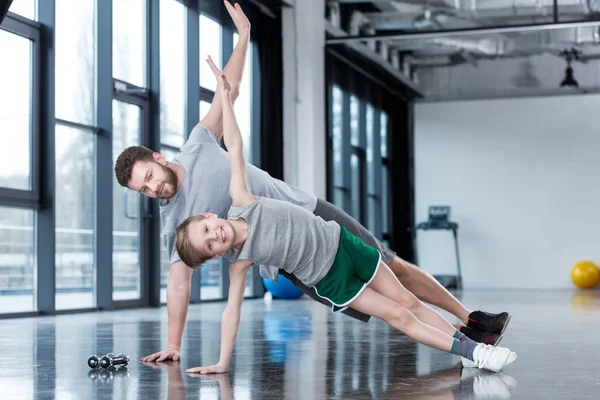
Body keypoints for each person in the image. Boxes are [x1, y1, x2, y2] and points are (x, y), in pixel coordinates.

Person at [114, 1, 510, 364]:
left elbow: (227, 98)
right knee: (391, 309)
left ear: (159, 158)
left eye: (149, 178)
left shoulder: (197, 146)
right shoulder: (177, 223)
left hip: (310, 212)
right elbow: (179, 286)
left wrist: (245, 37)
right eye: (144, 191)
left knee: (395, 267)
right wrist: (175, 344)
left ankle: (471, 320)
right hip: (291, 257)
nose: (154, 189)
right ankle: (461, 343)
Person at [173, 61, 518, 374]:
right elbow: (230, 313)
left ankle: (469, 349)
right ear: (216, 255)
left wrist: (226, 97)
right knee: (399, 316)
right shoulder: (240, 262)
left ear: (208, 215)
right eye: (209, 245)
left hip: (344, 245)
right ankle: (477, 353)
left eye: (207, 228)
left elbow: (233, 145)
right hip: (332, 280)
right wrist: (221, 361)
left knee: (408, 301)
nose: (215, 235)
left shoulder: (241, 199)